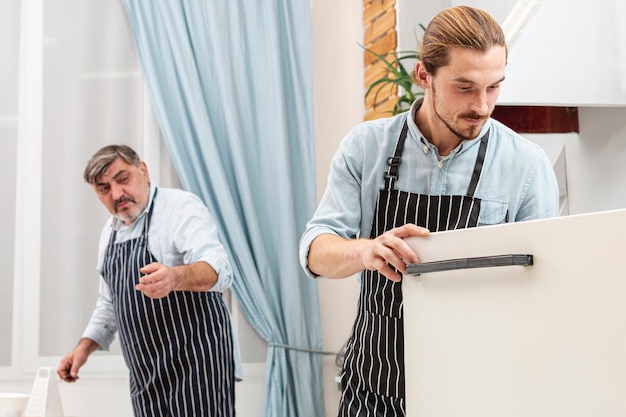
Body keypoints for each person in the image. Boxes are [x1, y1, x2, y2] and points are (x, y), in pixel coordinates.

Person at [299, 5, 559, 416]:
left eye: (494, 87)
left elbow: (545, 289)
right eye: (465, 87)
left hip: (478, 392)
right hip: (374, 387)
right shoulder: (367, 148)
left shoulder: (526, 166)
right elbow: (316, 250)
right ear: (424, 76)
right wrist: (363, 251)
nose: (482, 105)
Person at [57, 144, 236, 417]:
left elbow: (220, 269)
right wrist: (83, 348)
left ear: (143, 170)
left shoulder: (179, 207)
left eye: (122, 179)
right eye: (104, 188)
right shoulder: (110, 232)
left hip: (197, 367)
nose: (117, 194)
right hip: (145, 376)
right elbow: (109, 302)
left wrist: (175, 277)